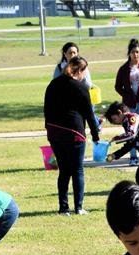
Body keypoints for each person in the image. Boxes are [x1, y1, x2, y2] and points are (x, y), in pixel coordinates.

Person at [43, 56, 100, 215]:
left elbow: (46, 109)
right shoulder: (80, 88)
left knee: (64, 170)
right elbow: (89, 114)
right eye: (85, 71)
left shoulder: (53, 84)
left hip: (55, 132)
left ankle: (63, 208)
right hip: (74, 132)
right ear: (79, 70)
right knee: (77, 170)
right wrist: (95, 135)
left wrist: (49, 128)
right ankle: (79, 207)